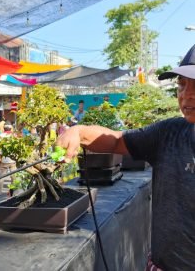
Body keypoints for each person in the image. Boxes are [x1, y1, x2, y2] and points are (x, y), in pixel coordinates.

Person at [56, 45, 195, 271]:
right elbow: (116, 140)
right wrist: (79, 132)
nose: (186, 94)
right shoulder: (169, 133)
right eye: (181, 84)